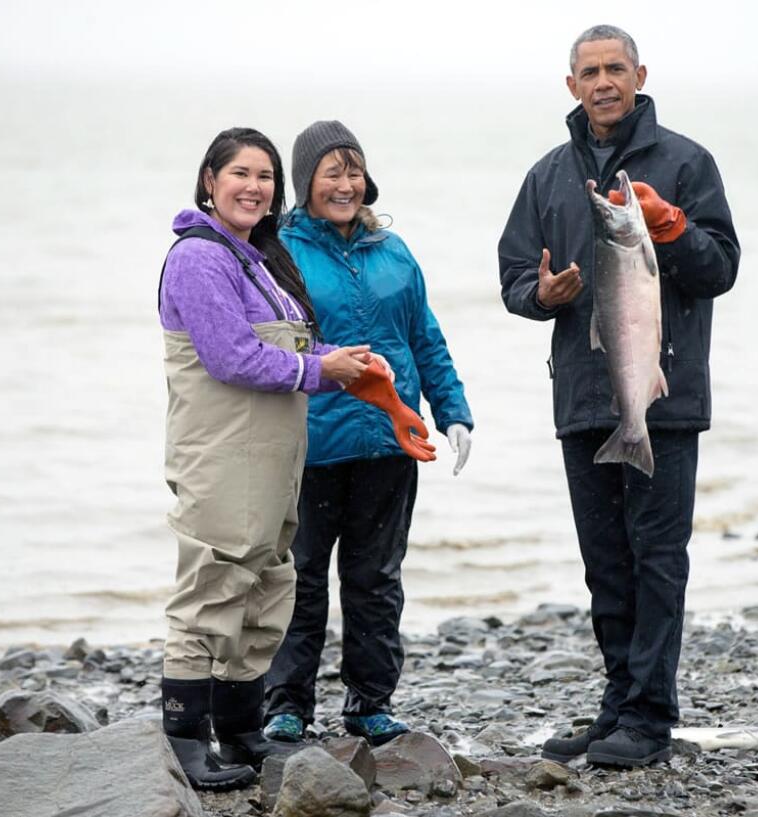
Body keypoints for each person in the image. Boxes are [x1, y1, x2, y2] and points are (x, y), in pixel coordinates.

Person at [498, 25, 740, 768]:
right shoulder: (546, 176)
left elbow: (721, 265)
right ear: (571, 86)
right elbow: (512, 278)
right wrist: (540, 293)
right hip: (583, 399)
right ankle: (618, 705)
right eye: (589, 72)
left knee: (657, 556)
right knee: (605, 559)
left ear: (639, 75)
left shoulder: (686, 162)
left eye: (615, 69)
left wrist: (669, 229)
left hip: (661, 401)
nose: (603, 82)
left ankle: (650, 716)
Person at [158, 126, 384, 790]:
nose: (254, 187)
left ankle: (240, 726)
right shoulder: (200, 258)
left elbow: (274, 350)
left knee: (265, 581)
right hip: (222, 455)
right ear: (209, 180)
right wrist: (323, 367)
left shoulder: (257, 257)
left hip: (271, 458)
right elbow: (230, 356)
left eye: (265, 177)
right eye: (240, 173)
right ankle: (184, 737)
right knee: (212, 585)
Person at [262, 120, 474, 746]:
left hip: (389, 442)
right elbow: (273, 346)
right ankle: (287, 704)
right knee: (298, 579)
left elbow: (425, 339)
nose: (347, 184)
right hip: (310, 444)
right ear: (305, 184)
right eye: (333, 172)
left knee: (376, 578)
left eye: (354, 171)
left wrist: (453, 409)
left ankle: (369, 701)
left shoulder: (395, 252)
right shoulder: (280, 252)